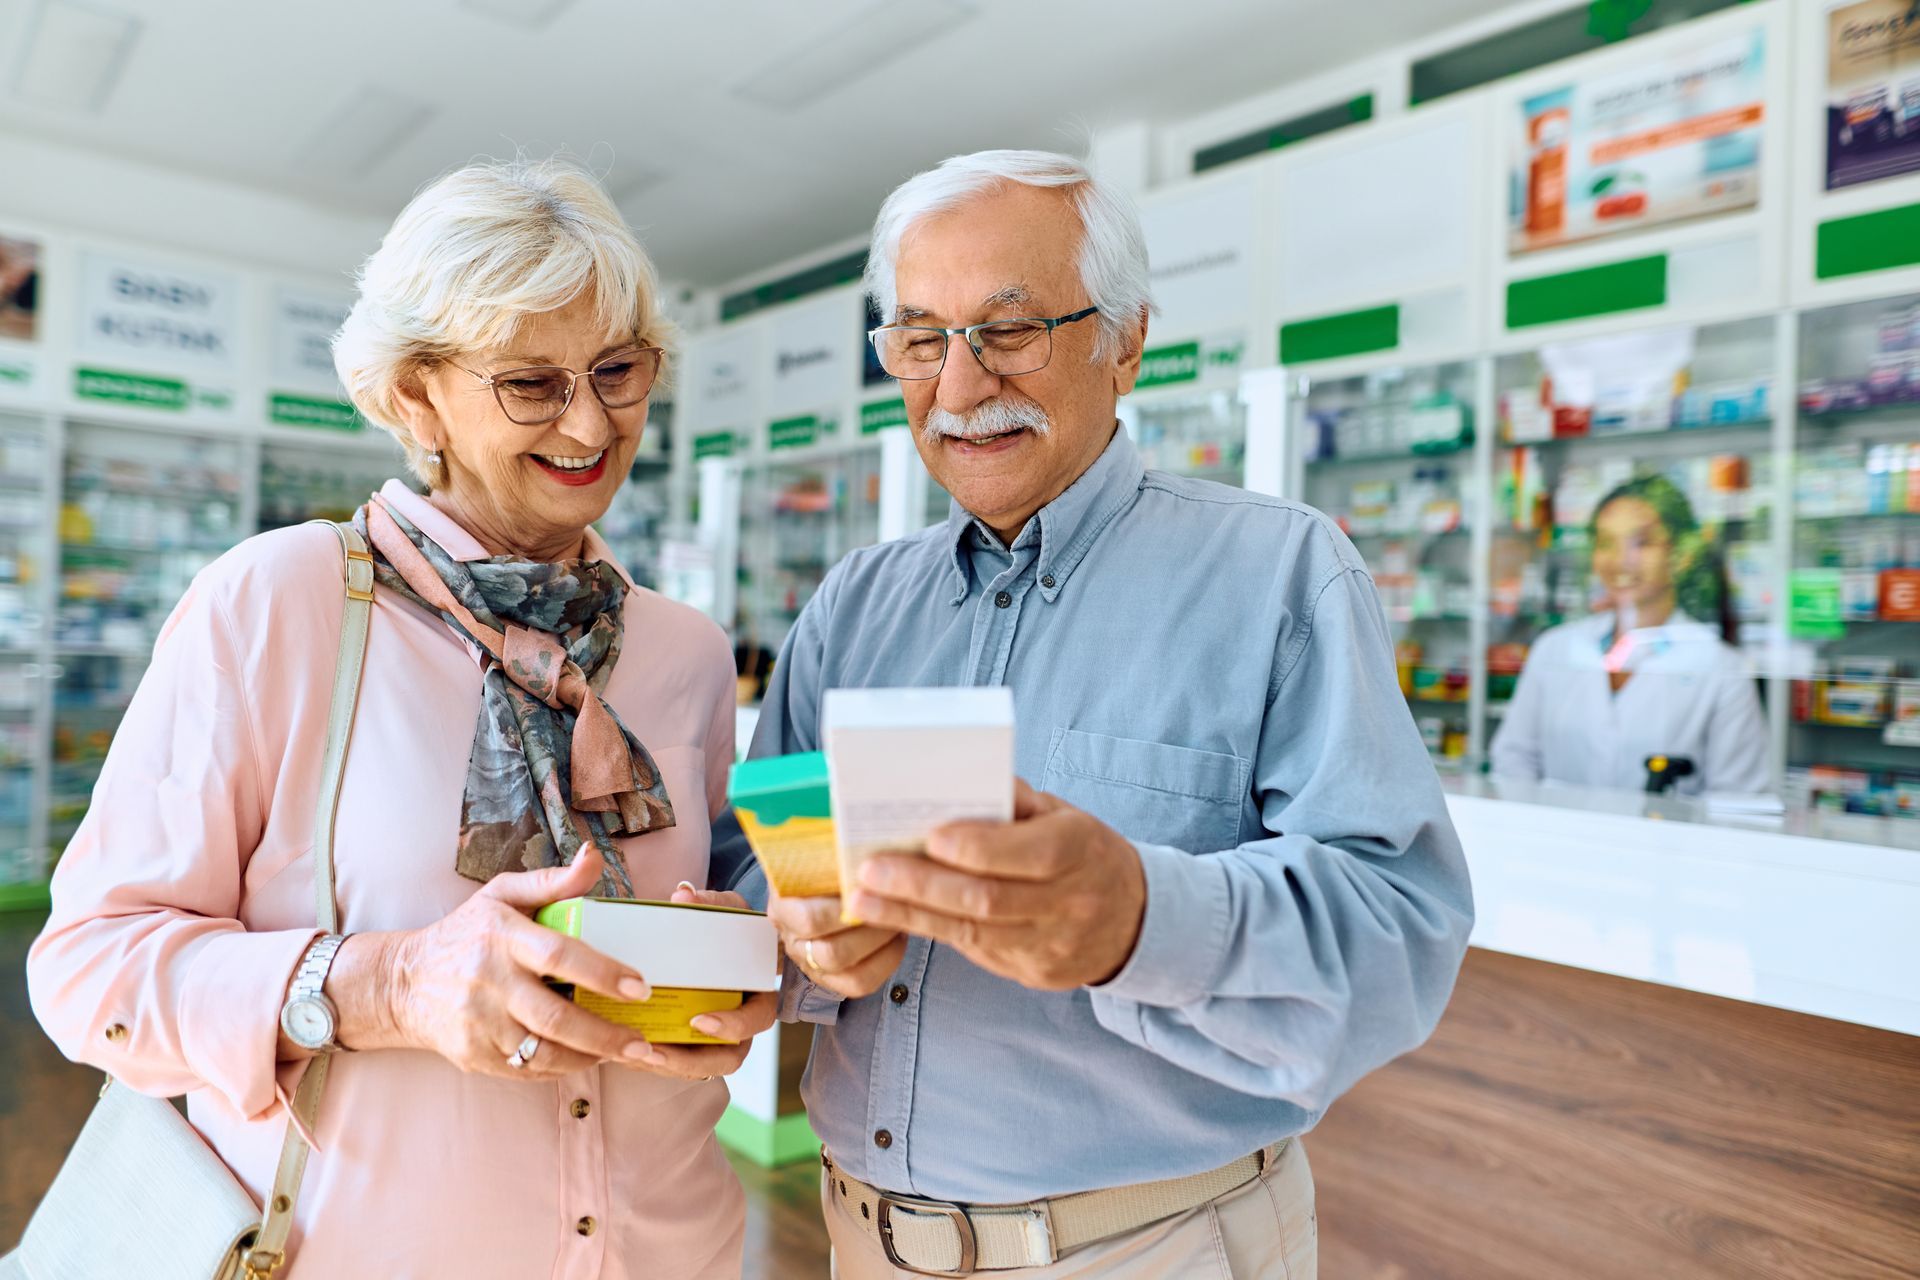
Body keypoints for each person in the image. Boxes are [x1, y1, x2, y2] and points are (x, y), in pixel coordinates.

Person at [716, 150, 1475, 1278]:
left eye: (1008, 331)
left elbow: (1401, 931)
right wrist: (798, 930)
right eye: (921, 340)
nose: (960, 387)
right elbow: (750, 880)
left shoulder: (1280, 573)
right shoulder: (854, 606)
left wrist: (1137, 919)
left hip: (1150, 1247)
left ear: (1126, 341)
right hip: (861, 1241)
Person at [27, 159, 773, 1279]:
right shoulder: (281, 601)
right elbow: (87, 967)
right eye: (532, 382)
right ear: (417, 394)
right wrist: (385, 984)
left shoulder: (686, 652)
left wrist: (738, 968)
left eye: (618, 369)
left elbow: (718, 931)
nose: (593, 420)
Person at [1491, 473, 1770, 795]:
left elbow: (1737, 799)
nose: (1621, 561)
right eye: (1606, 542)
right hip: (1556, 841)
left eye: (1642, 542)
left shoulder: (1722, 668)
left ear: (1681, 553)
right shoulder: (1556, 648)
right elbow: (1513, 761)